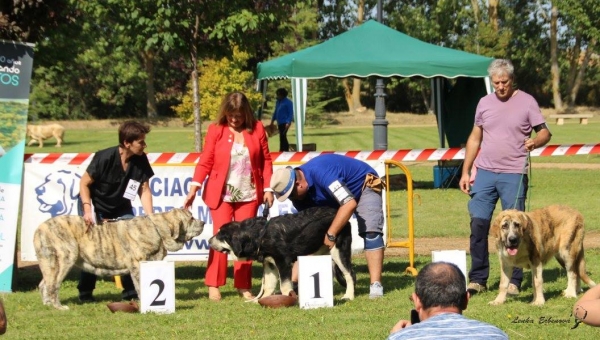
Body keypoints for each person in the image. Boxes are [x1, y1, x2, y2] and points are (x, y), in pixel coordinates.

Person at [459, 59, 552, 295]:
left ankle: (515, 281)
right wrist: (466, 170)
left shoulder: (527, 101)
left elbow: (545, 132)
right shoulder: (484, 103)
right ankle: (478, 279)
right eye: (496, 82)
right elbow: (474, 138)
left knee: (517, 228)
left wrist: (535, 141)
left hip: (514, 173)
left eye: (504, 82)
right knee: (478, 224)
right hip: (486, 173)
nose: (500, 86)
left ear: (512, 80)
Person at [183, 92, 274, 301]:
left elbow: (265, 161)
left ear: (246, 113)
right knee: (219, 239)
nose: (234, 119)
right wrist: (194, 188)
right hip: (220, 195)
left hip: (249, 193)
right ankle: (214, 284)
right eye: (231, 115)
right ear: (225, 112)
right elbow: (206, 160)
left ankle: (243, 285)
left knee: (246, 240)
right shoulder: (216, 129)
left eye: (239, 115)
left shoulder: (258, 128)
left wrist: (268, 188)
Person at [270, 154, 386, 298]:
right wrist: (291, 285)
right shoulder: (299, 197)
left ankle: (376, 285)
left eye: (292, 195)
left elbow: (349, 203)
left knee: (371, 232)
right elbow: (309, 234)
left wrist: (331, 234)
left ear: (299, 184)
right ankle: (295, 284)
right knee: (309, 236)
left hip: (362, 186)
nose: (293, 200)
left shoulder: (323, 174)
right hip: (334, 199)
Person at [78, 120, 154, 302]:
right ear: (127, 143)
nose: (144, 145)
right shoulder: (104, 157)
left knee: (131, 246)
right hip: (96, 207)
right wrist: (88, 210)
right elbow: (84, 183)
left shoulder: (140, 159)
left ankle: (130, 291)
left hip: (122, 208)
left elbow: (144, 189)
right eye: (141, 142)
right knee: (94, 249)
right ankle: (85, 291)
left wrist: (151, 217)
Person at [388, 262, 508, 339]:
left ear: (417, 301)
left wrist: (395, 336)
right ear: (466, 299)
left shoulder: (401, 337)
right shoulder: (496, 335)